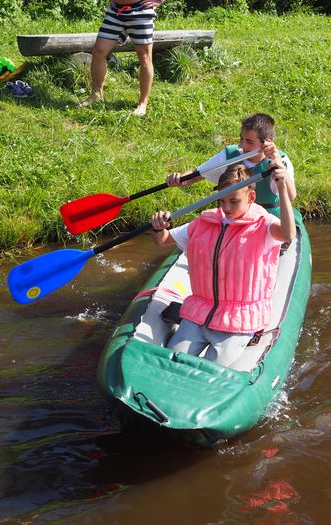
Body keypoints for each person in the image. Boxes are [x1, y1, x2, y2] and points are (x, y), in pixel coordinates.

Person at [150, 160, 296, 368]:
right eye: (222, 200)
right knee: (169, 363)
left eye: (234, 201)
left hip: (238, 320)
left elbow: (288, 234)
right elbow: (163, 240)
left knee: (209, 371)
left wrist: (282, 189)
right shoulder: (204, 222)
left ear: (251, 197)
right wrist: (158, 227)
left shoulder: (264, 225)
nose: (226, 207)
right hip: (200, 313)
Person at [166, 113, 297, 216]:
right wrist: (179, 179)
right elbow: (195, 175)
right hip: (232, 221)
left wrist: (279, 166)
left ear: (267, 142)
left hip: (268, 223)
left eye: (249, 142)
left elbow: (291, 196)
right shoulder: (230, 155)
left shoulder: (281, 160)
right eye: (241, 138)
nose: (243, 145)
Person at [77, 0, 165, 116]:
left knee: (144, 57)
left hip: (140, 11)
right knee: (99, 50)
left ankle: (143, 103)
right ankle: (96, 95)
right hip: (116, 12)